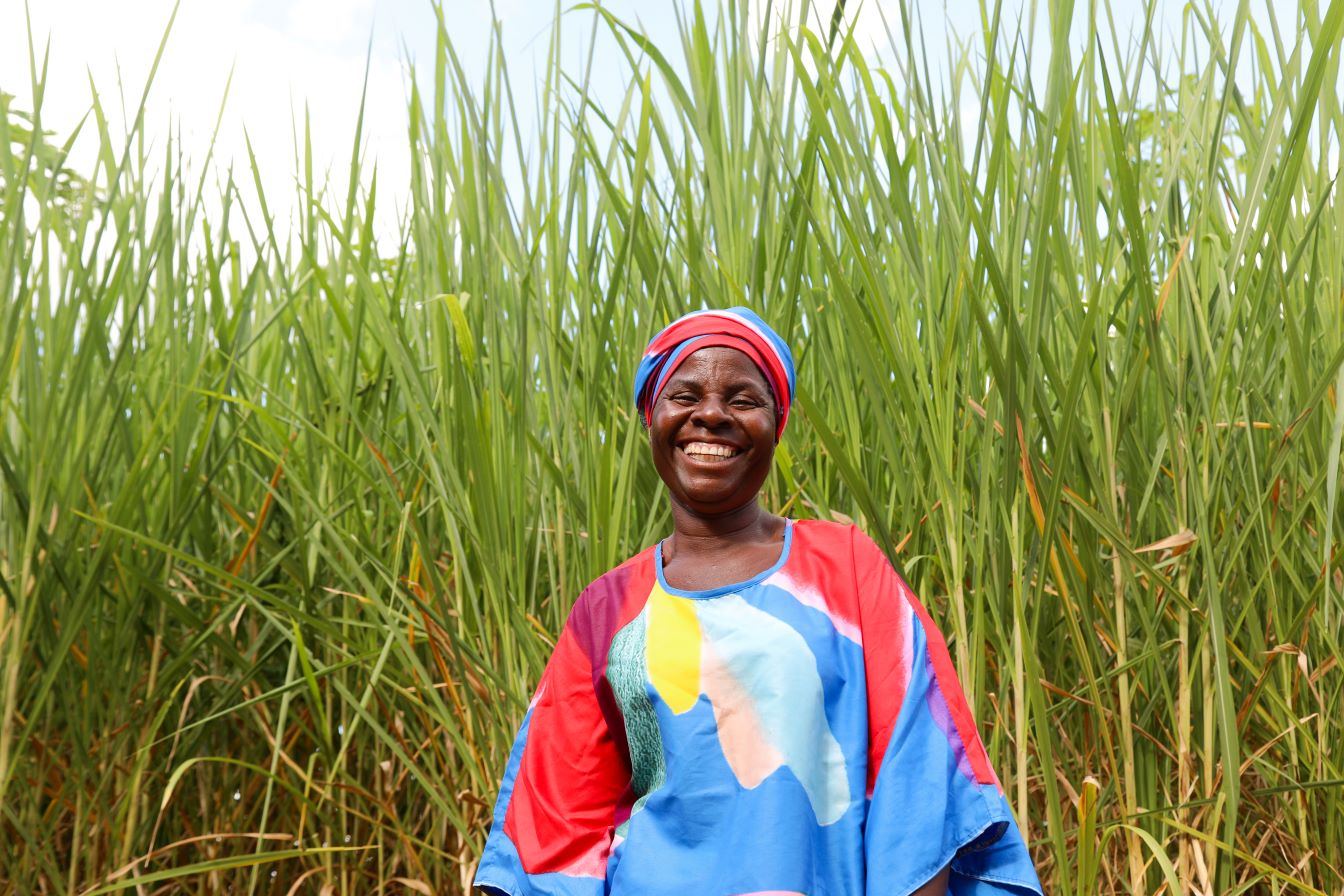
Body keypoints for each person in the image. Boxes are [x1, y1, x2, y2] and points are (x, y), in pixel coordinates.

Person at [473, 308, 1043, 895]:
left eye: (743, 399)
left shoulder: (845, 568)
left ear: (776, 424)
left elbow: (922, 776)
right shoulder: (608, 609)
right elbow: (557, 819)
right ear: (653, 417)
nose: (712, 415)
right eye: (685, 394)